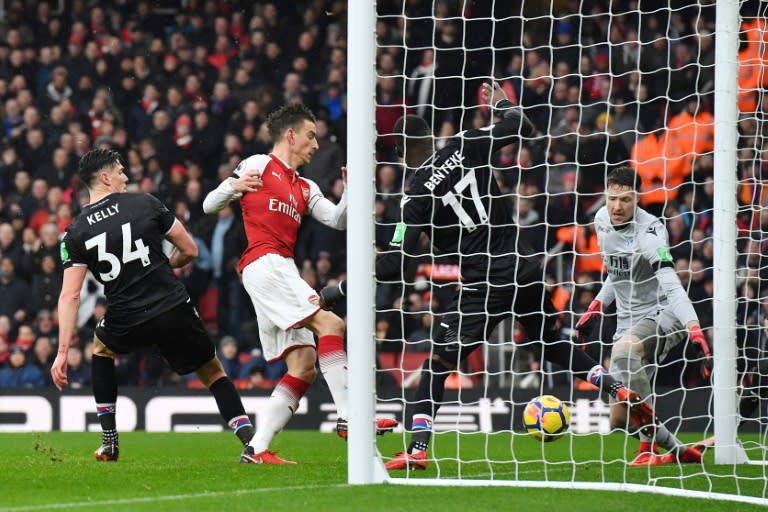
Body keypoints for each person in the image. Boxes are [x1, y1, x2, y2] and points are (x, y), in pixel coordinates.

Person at [320, 83, 653, 471]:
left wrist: (339, 288)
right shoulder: (466, 144)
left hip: (485, 284)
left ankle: (417, 449)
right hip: (524, 266)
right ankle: (616, 388)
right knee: (548, 342)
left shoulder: (414, 197)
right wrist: (500, 104)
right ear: (431, 136)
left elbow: (396, 262)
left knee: (436, 367)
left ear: (399, 155)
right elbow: (520, 125)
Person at [202, 103, 397, 465]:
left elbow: (338, 220)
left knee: (304, 366)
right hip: (265, 262)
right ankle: (350, 417)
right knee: (332, 323)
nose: (316, 145)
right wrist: (234, 184)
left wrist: (352, 187)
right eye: (311, 136)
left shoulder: (305, 187)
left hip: (280, 269)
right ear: (290, 135)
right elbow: (208, 205)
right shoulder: (259, 164)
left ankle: (256, 449)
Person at [51, 148, 258, 463]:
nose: (126, 176)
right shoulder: (145, 202)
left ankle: (109, 441)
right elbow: (189, 250)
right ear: (105, 177)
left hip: (126, 314)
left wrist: (63, 351)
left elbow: (70, 295)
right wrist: (164, 266)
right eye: (120, 171)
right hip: (171, 304)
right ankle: (251, 445)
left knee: (101, 347)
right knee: (213, 372)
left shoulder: (74, 233)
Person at [574, 165, 710, 465]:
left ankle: (648, 447)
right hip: (626, 321)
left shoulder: (651, 233)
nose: (617, 206)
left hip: (664, 314)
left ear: (638, 198)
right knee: (619, 419)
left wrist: (694, 327)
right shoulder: (600, 221)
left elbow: (673, 285)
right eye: (612, 199)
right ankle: (679, 451)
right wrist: (597, 306)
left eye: (625, 199)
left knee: (623, 352)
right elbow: (620, 273)